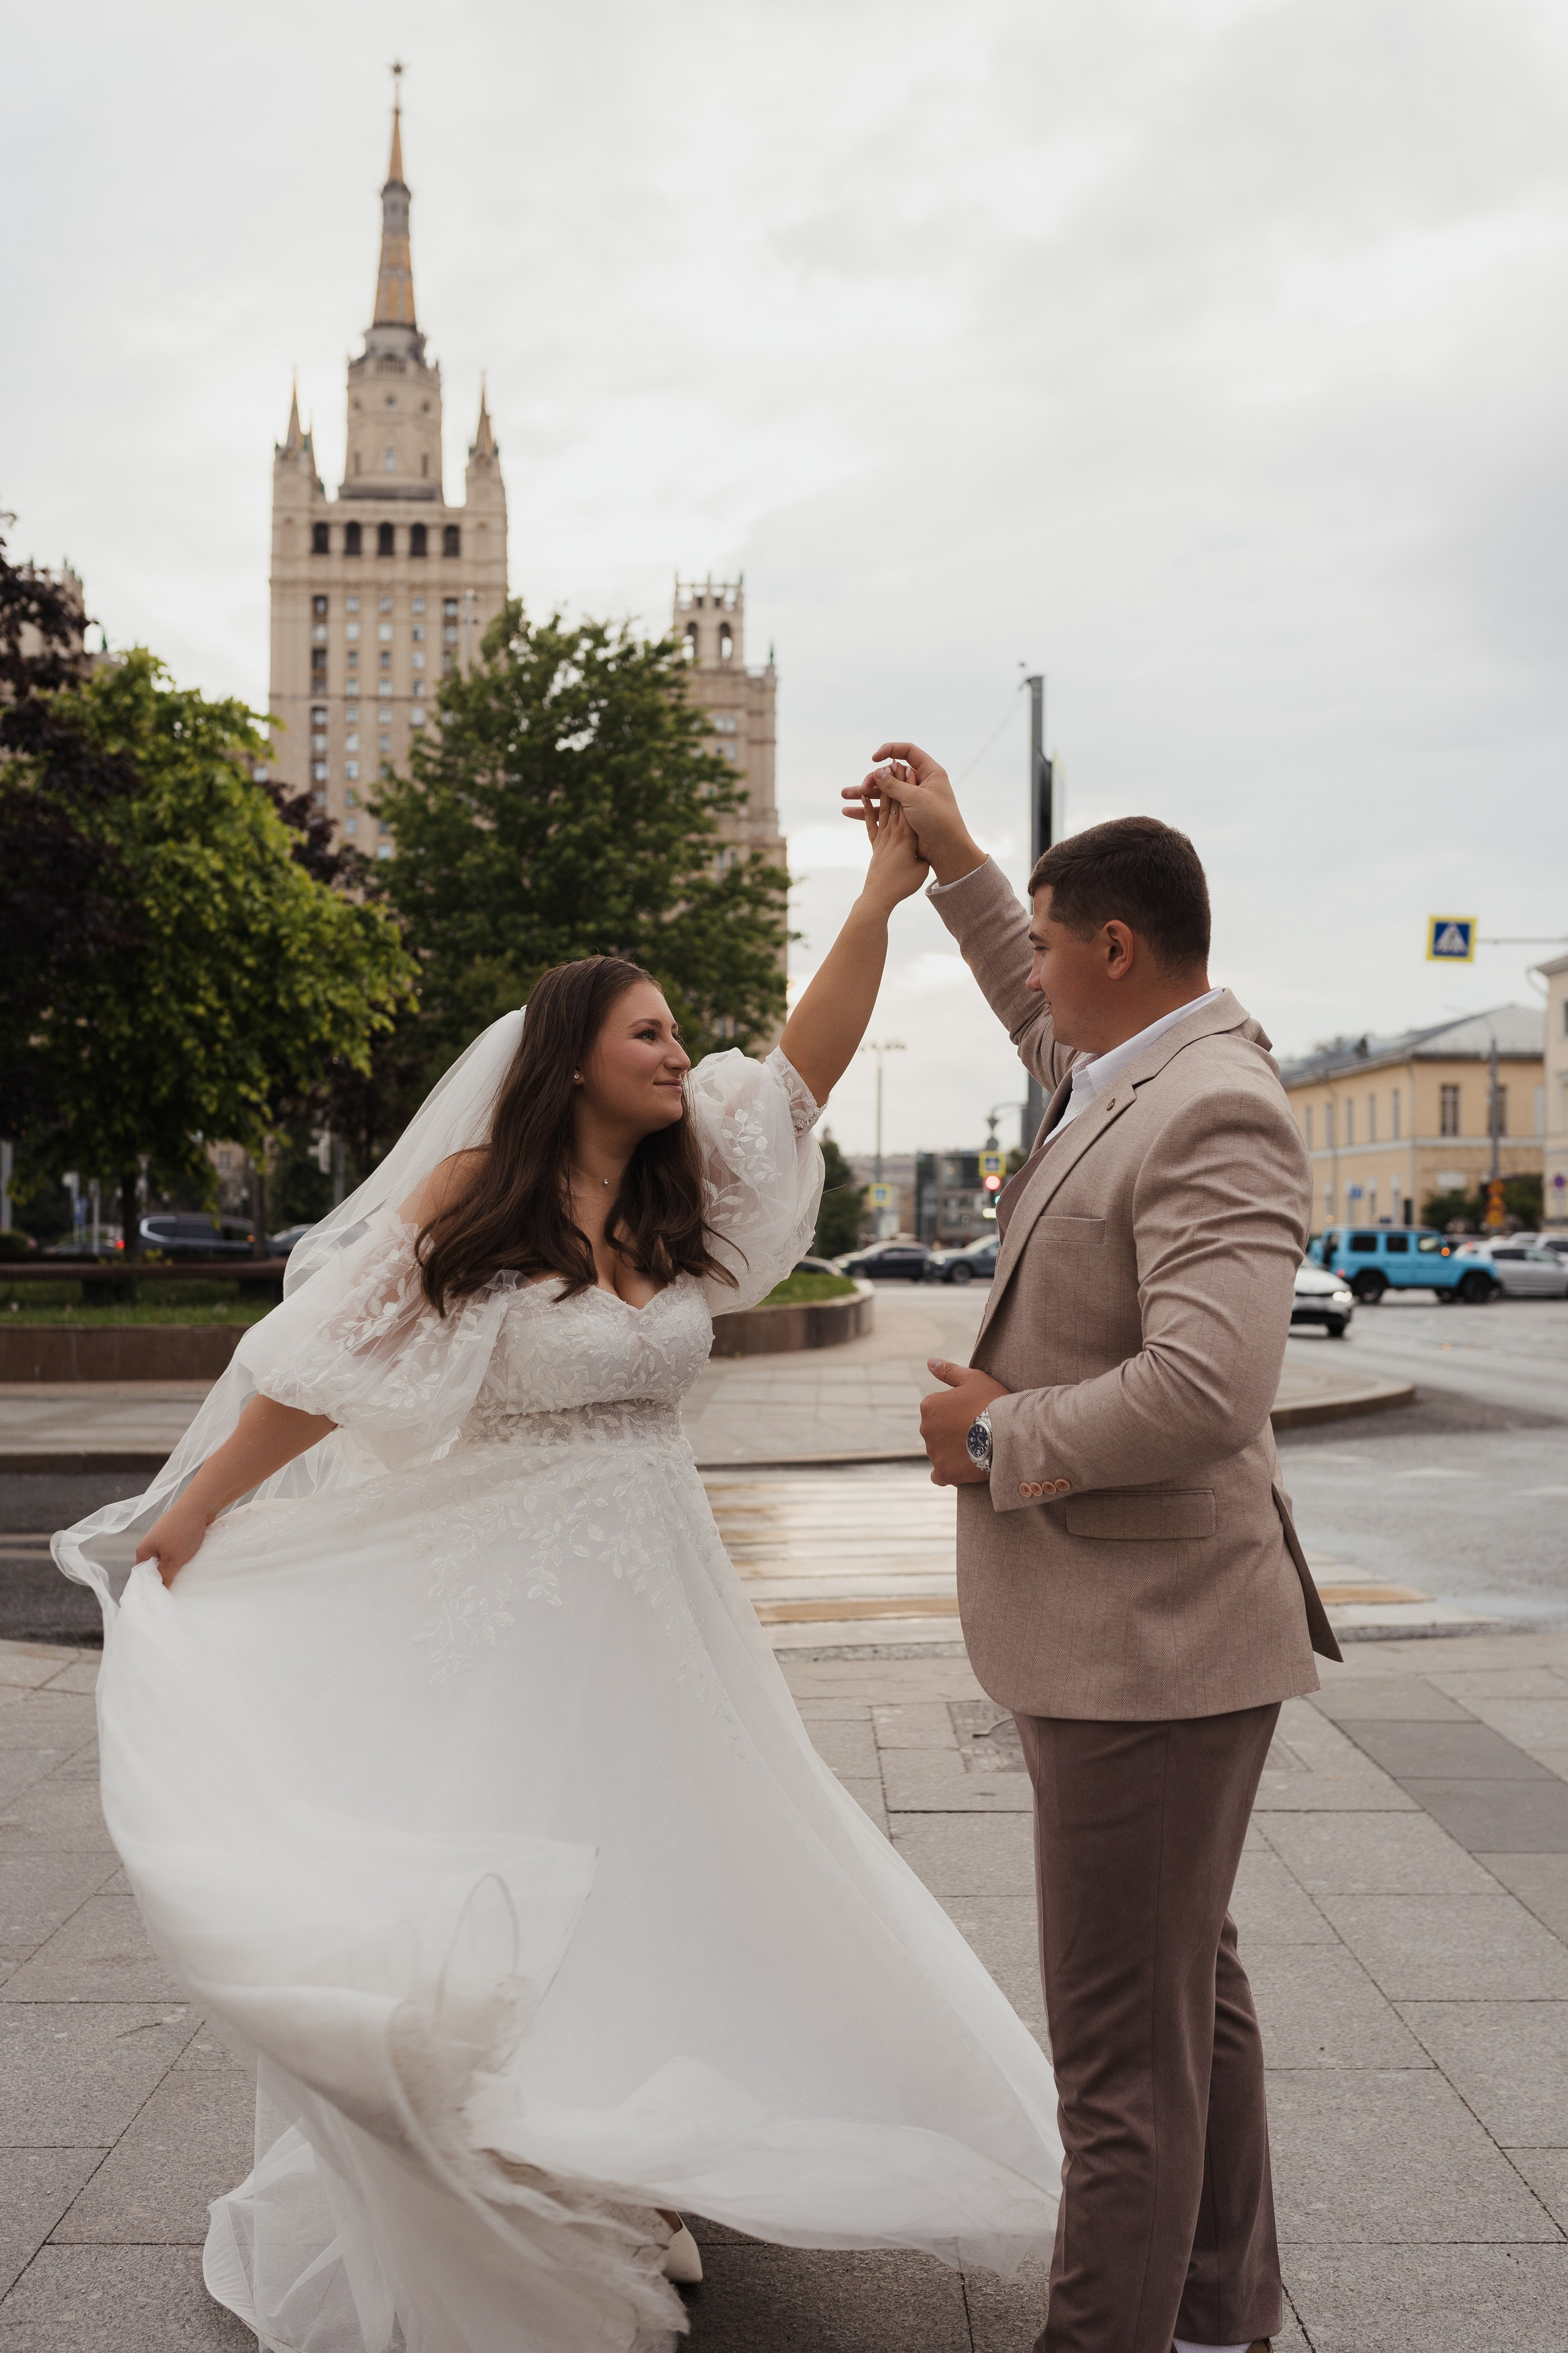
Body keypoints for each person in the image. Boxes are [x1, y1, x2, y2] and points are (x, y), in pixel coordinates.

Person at [55, 790, 1064, 2353]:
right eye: (652, 1035)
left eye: (678, 1037)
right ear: (574, 1056)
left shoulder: (687, 1197)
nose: (679, 1055)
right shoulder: (475, 1206)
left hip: (662, 1606)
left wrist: (883, 886)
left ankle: (639, 2139)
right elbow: (321, 1368)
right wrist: (195, 1509)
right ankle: (546, 2148)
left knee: (680, 1869)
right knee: (532, 1871)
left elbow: (804, 1065)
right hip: (509, 1606)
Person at [842, 747, 1341, 2353]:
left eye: (1056, 944)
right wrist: (969, 862)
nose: (1038, 981)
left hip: (1153, 1641)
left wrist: (997, 1436)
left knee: (1117, 2063)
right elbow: (1030, 1001)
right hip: (1142, 1629)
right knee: (1191, 1994)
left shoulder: (1213, 1112)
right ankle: (1214, 2315)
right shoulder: (1129, 1064)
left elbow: (1210, 1387)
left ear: (1117, 949)